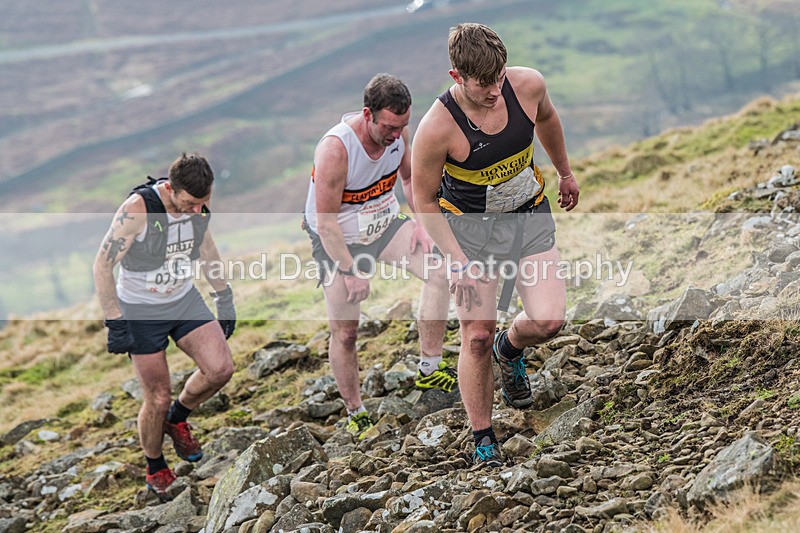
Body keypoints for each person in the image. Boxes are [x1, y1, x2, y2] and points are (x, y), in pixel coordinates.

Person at [411, 23, 580, 467]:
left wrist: (564, 172)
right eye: (484, 84)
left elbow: (547, 119)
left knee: (549, 320)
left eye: (499, 78)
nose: (494, 91)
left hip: (527, 216)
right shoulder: (435, 129)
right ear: (456, 77)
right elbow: (423, 200)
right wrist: (458, 260)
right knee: (477, 336)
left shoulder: (528, 85)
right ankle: (483, 437)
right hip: (469, 234)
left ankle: (513, 348)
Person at [303, 73, 453, 440]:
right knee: (347, 330)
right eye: (388, 126)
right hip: (337, 239)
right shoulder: (336, 150)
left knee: (440, 272)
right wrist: (350, 270)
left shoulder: (398, 133)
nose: (395, 134)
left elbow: (409, 181)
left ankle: (430, 365)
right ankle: (355, 410)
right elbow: (325, 224)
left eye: (402, 125)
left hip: (383, 224)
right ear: (367, 114)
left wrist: (420, 222)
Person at [92, 153, 236, 499]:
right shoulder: (139, 209)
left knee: (220, 369)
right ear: (170, 188)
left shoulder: (196, 208)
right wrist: (115, 320)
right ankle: (155, 465)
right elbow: (102, 264)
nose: (196, 210)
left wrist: (224, 296)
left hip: (183, 299)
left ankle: (179, 417)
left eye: (203, 203)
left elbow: (206, 248)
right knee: (156, 397)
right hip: (141, 310)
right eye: (189, 203)